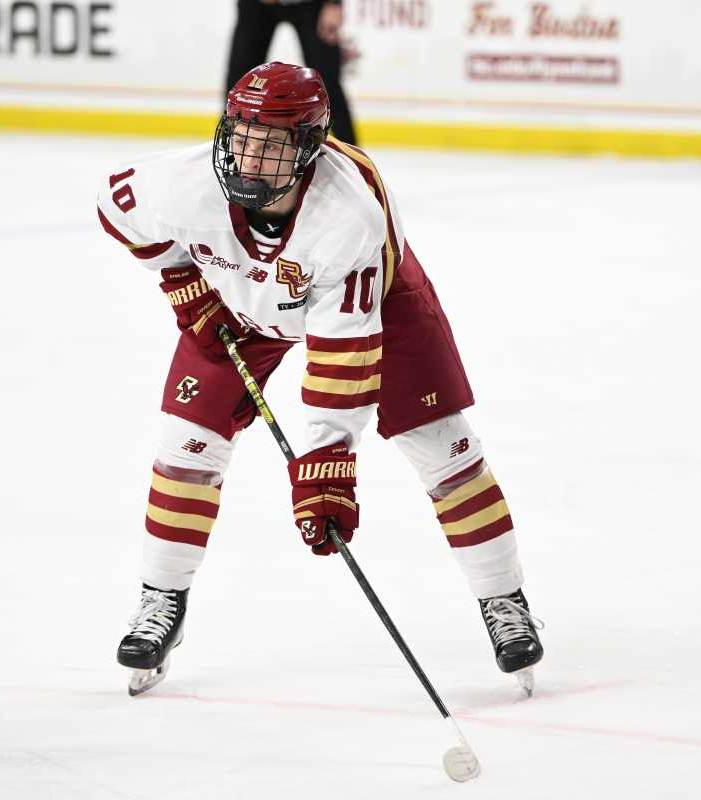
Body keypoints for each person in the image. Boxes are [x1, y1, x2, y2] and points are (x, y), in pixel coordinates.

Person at [97, 61, 542, 697]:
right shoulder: (183, 184)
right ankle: (161, 600)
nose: (250, 156)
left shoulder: (348, 218)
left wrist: (328, 460)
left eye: (272, 142)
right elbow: (115, 209)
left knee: (446, 451)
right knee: (185, 447)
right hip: (236, 302)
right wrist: (180, 277)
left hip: (378, 304)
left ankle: (505, 601)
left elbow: (341, 358)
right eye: (243, 135)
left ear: (308, 147)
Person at [225, 0, 357, 144]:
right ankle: (228, 145)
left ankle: (351, 156)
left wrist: (334, 3)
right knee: (239, 80)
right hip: (259, 5)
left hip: (312, 5)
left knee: (329, 83)